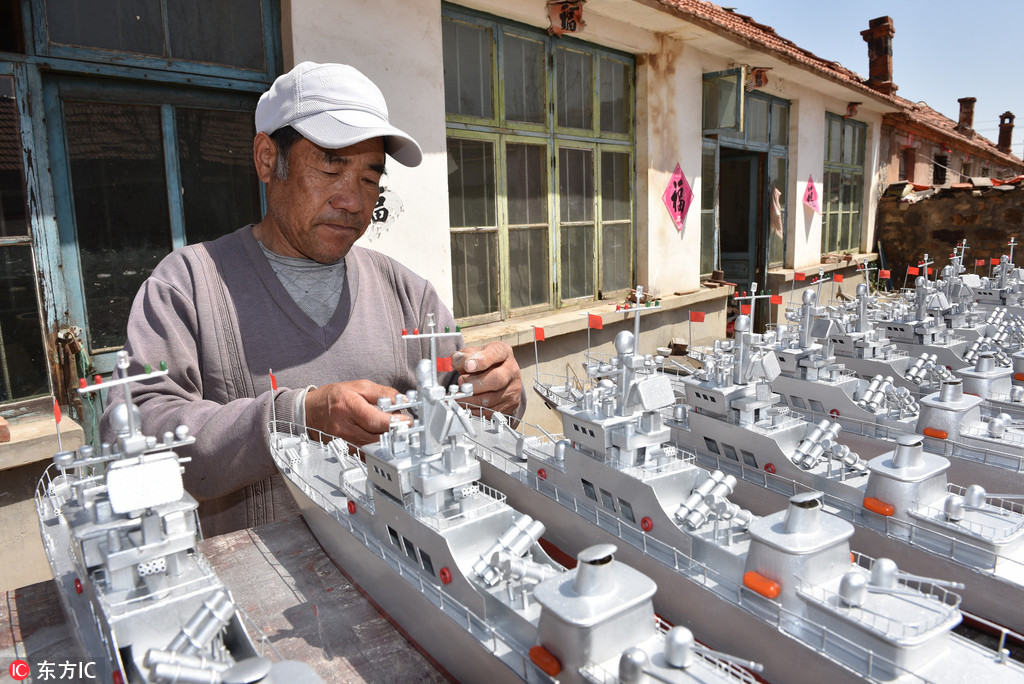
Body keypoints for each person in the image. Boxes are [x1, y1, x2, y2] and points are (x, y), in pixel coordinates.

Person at [101, 62, 523, 536]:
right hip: (263, 589)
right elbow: (132, 432)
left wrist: (499, 394)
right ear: (266, 158)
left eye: (369, 178)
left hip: (409, 562)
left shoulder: (409, 293)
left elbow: (466, 408)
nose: (353, 201)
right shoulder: (188, 287)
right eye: (330, 165)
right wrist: (295, 416)